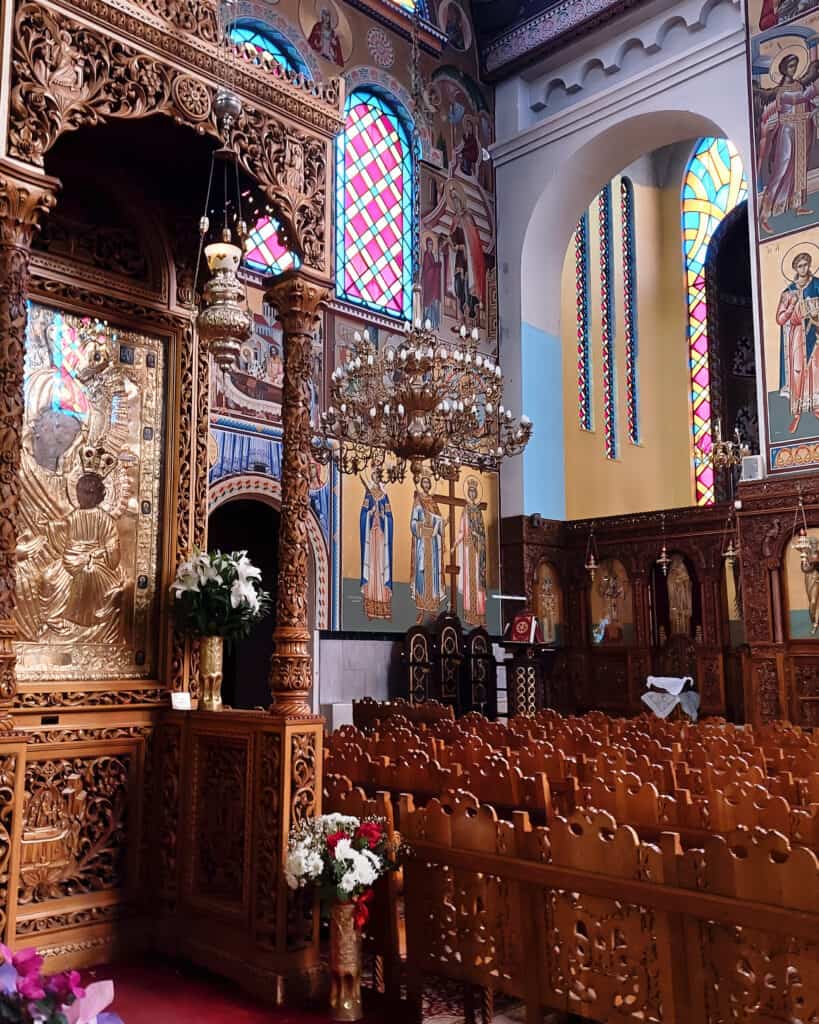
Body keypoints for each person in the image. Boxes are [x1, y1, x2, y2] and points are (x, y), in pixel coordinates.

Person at [756, 53, 819, 233]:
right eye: (790, 66)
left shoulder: (797, 84)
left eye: (795, 65)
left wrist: (813, 110)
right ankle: (764, 214)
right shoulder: (781, 90)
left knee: (799, 167)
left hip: (802, 129)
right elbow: (799, 98)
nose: (793, 69)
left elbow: (806, 103)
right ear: (784, 69)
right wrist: (814, 88)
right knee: (781, 169)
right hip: (787, 131)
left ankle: (797, 205)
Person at [776, 251, 819, 432]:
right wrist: (792, 306)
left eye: (805, 264)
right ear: (795, 268)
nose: (803, 268)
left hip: (815, 332)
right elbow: (780, 319)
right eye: (800, 266)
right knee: (797, 370)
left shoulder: (817, 285)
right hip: (797, 337)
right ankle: (797, 412)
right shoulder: (788, 292)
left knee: (815, 368)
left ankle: (816, 406)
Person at [410, 475, 447, 622]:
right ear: (421, 484)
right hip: (423, 542)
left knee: (433, 574)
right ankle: (421, 608)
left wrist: (442, 523)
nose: (426, 484)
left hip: (433, 544)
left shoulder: (433, 503)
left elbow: (439, 523)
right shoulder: (418, 501)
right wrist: (423, 527)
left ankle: (433, 609)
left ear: (430, 484)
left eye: (428, 482)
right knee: (422, 572)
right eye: (424, 481)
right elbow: (413, 523)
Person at [359, 468, 394, 620]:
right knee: (372, 568)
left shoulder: (384, 496)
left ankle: (384, 606)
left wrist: (385, 517)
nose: (376, 478)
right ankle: (370, 607)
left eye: (379, 476)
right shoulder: (368, 494)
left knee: (382, 569)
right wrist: (370, 512)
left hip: (382, 538)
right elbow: (362, 516)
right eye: (374, 475)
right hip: (371, 538)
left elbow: (390, 519)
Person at [453, 477, 486, 626]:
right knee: (468, 580)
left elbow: (482, 533)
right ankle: (469, 614)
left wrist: (476, 535)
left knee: (477, 581)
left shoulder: (478, 512)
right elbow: (461, 530)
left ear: (476, 493)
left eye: (474, 491)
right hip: (467, 551)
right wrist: (455, 544)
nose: (472, 494)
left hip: (477, 551)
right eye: (470, 491)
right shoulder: (465, 510)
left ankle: (479, 614)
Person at [667, 555, 693, 636]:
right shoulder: (671, 571)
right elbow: (669, 583)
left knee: (684, 613)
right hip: (675, 599)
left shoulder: (683, 567)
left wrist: (682, 581)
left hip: (683, 597)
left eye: (678, 560)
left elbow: (687, 579)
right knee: (675, 613)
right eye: (675, 560)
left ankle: (686, 634)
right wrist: (675, 582)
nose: (677, 562)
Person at [421, 238, 442, 329]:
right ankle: (427, 321)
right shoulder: (426, 255)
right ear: (426, 245)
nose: (431, 246)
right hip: (428, 284)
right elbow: (428, 270)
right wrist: (436, 267)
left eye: (432, 244)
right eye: (429, 244)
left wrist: (437, 266)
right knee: (429, 303)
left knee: (434, 303)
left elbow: (432, 267)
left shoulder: (432, 255)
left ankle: (434, 323)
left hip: (433, 283)